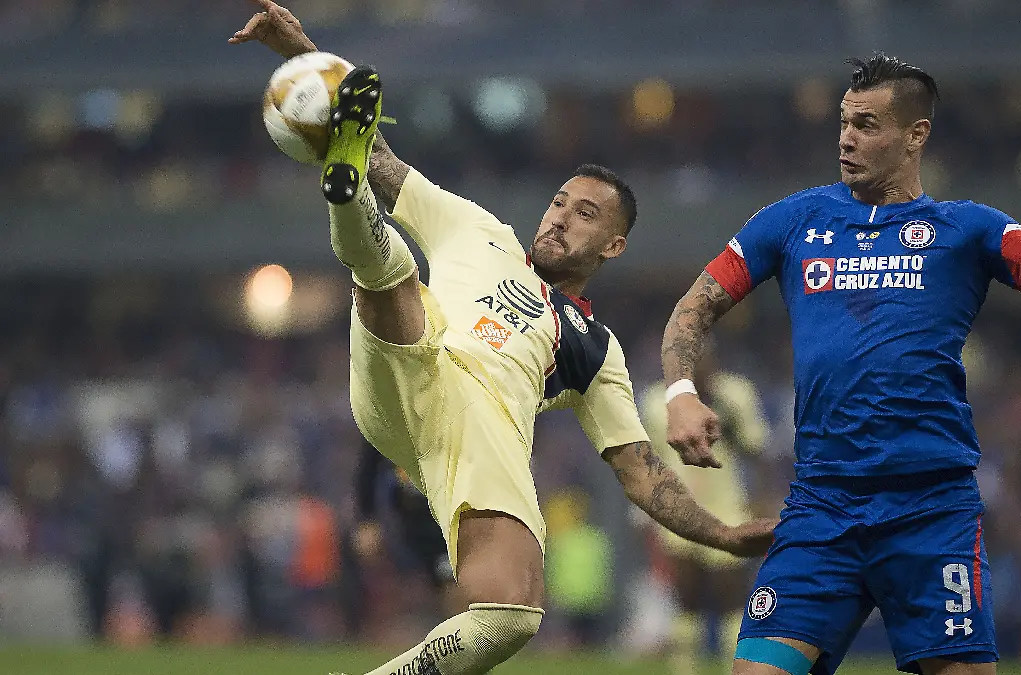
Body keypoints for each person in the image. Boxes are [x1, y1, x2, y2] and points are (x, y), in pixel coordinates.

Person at [230, 3, 775, 674]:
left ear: (613, 244)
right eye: (558, 202)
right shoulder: (479, 230)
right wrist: (304, 56)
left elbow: (642, 473)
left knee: (512, 613)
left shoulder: (593, 346)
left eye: (585, 214)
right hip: (410, 366)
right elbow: (380, 156)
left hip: (477, 439)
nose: (559, 219)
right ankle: (345, 198)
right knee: (395, 273)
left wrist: (724, 533)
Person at [660, 52, 1021, 675]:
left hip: (930, 510)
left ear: (916, 134)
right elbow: (693, 307)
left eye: (866, 124)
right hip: (821, 507)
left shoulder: (969, 229)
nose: (846, 138)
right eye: (844, 122)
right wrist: (680, 392)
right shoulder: (792, 220)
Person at [639, 343, 770, 674]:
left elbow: (756, 449)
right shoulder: (656, 401)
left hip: (728, 505)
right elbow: (647, 461)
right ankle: (685, 667)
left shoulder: (735, 394)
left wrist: (760, 498)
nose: (700, 364)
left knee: (731, 594)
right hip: (678, 505)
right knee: (687, 596)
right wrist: (645, 511)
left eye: (706, 356)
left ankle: (734, 666)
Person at [353, 438, 461, 617]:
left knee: (452, 579)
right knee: (432, 583)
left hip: (450, 513)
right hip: (411, 519)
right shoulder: (389, 425)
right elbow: (369, 466)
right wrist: (366, 520)